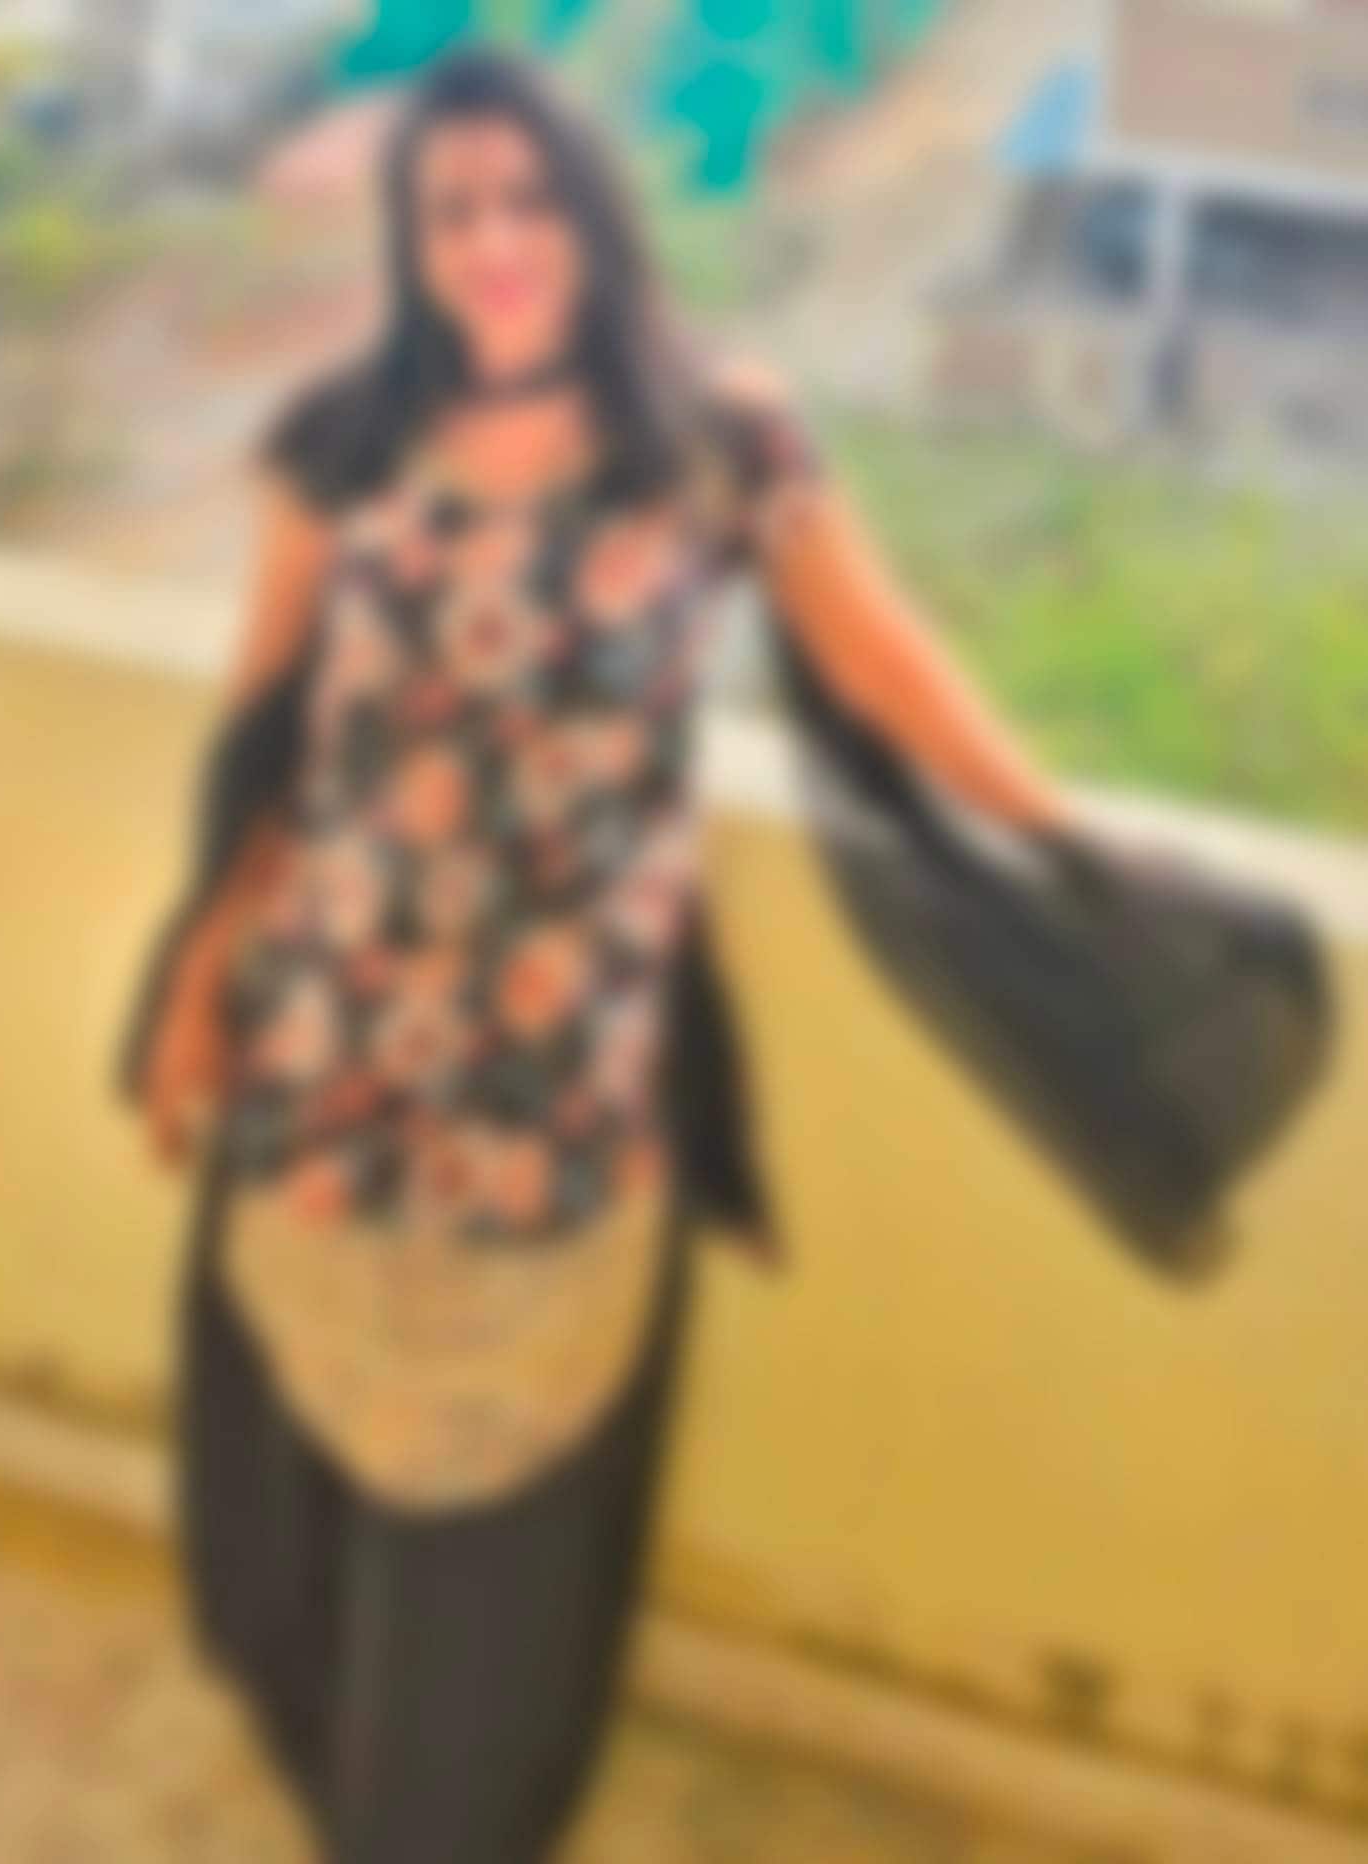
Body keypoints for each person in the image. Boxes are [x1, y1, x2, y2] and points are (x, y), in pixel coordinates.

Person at [127, 47, 1070, 1864]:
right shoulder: (342, 441)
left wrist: (1064, 836)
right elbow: (268, 731)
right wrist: (192, 983)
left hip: (557, 1102)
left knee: (498, 1572)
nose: (494, 241)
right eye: (452, 210)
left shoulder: (718, 440)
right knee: (300, 1525)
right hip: (330, 1062)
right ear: (412, 242)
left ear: (588, 210)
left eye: (526, 198)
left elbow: (880, 661)